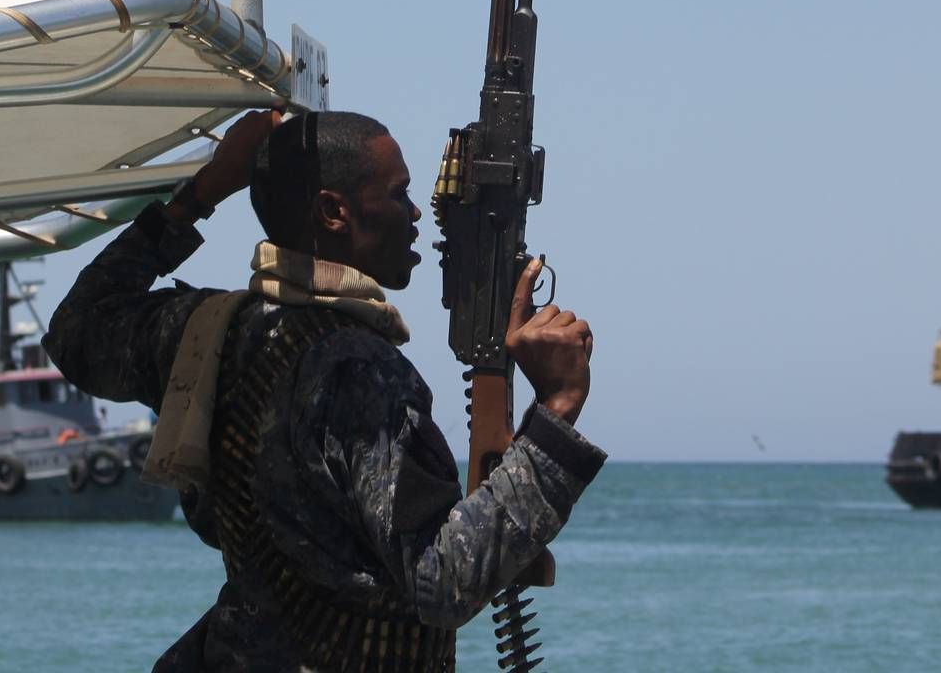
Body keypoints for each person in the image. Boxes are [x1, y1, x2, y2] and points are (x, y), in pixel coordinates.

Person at [44, 110, 601, 671]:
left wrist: (202, 193)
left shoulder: (206, 332)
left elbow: (77, 330)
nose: (414, 215)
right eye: (398, 194)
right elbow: (444, 580)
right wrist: (557, 407)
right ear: (333, 212)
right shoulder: (359, 371)